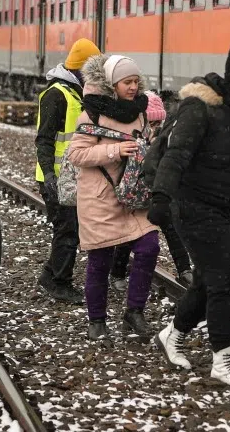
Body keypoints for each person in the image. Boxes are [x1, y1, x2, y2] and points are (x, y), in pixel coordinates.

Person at [151, 43, 230, 387]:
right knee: (226, 280)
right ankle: (222, 360)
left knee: (207, 279)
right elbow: (176, 155)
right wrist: (160, 197)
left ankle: (173, 333)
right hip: (195, 207)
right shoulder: (200, 108)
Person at [66, 55, 160, 341]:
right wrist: (114, 152)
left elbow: (147, 143)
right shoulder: (91, 114)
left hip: (134, 196)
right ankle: (97, 320)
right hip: (101, 199)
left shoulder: (141, 113)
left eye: (135, 82)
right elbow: (76, 154)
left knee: (149, 247)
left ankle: (135, 312)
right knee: (100, 261)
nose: (133, 87)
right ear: (112, 84)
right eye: (126, 82)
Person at [35, 38, 102, 304]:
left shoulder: (76, 92)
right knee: (68, 230)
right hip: (56, 178)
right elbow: (44, 139)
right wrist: (49, 176)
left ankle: (50, 274)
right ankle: (58, 283)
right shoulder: (56, 95)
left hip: (72, 177)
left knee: (69, 229)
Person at [109, 91, 193, 292]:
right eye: (152, 124)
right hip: (135, 196)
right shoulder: (132, 142)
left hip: (156, 193)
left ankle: (184, 270)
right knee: (129, 235)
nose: (155, 129)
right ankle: (117, 272)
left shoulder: (163, 142)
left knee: (171, 227)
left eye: (159, 124)